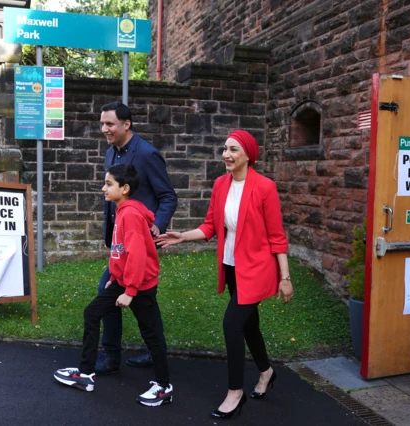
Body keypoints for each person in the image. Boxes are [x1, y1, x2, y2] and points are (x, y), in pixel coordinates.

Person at [156, 129, 293, 419]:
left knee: (232, 324)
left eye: (233, 150)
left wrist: (285, 278)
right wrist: (183, 236)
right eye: (224, 149)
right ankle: (267, 372)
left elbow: (277, 237)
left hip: (257, 269)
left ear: (247, 155)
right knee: (249, 325)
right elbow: (210, 226)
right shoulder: (220, 184)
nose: (226, 155)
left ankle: (235, 393)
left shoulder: (265, 187)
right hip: (231, 267)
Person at [54, 164, 173, 407]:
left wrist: (130, 291)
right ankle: (85, 374)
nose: (103, 188)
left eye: (109, 184)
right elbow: (120, 252)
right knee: (92, 313)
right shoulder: (122, 210)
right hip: (122, 280)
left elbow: (138, 255)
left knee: (150, 333)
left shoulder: (130, 214)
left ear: (125, 188)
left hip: (140, 285)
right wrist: (114, 277)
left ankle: (163, 386)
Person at [96, 101, 177, 374]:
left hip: (140, 244)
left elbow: (168, 196)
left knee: (132, 299)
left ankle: (116, 355)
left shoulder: (147, 154)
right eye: (102, 123)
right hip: (120, 244)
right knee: (119, 296)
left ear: (126, 124)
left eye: (110, 124)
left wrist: (158, 225)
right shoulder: (110, 154)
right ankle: (118, 354)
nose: (104, 129)